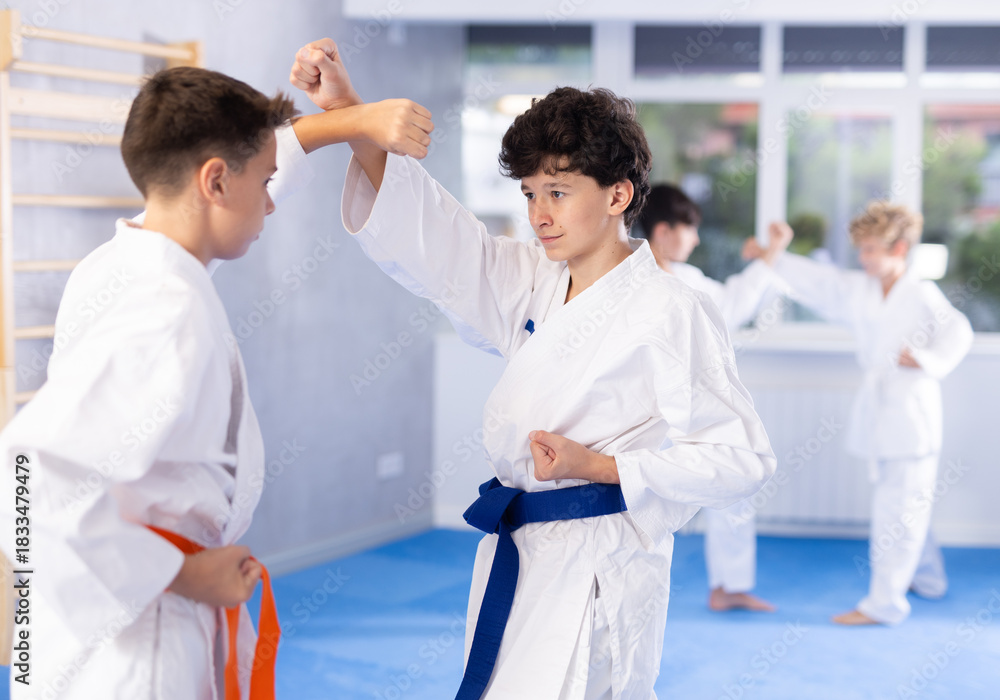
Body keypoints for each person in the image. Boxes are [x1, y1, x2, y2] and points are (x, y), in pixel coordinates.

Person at [292, 39, 777, 699]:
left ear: (617, 196)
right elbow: (437, 237)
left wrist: (602, 467)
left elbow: (743, 457)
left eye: (558, 190)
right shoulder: (532, 277)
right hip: (518, 549)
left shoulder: (671, 309)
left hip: (599, 561)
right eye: (528, 193)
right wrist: (352, 115)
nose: (538, 214)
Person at [0, 66, 431, 699]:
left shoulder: (126, 264)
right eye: (265, 182)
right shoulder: (164, 307)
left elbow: (243, 160)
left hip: (113, 626)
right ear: (216, 180)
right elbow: (28, 472)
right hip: (137, 647)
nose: (272, 200)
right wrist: (180, 573)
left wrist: (346, 122)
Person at [761, 203, 974, 626]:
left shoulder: (921, 292)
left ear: (899, 248)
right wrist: (775, 258)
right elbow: (824, 284)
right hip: (883, 412)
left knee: (900, 508)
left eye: (872, 249)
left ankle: (885, 604)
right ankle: (928, 580)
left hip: (912, 415)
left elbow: (960, 330)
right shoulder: (863, 289)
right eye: (862, 250)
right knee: (905, 504)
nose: (863, 258)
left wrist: (927, 359)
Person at [636, 184, 792, 613]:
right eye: (691, 229)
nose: (697, 239)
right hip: (646, 412)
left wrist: (769, 255)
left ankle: (729, 585)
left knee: (733, 484)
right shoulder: (629, 276)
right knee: (644, 500)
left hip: (694, 406)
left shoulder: (686, 279)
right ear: (665, 231)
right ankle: (626, 589)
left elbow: (733, 302)